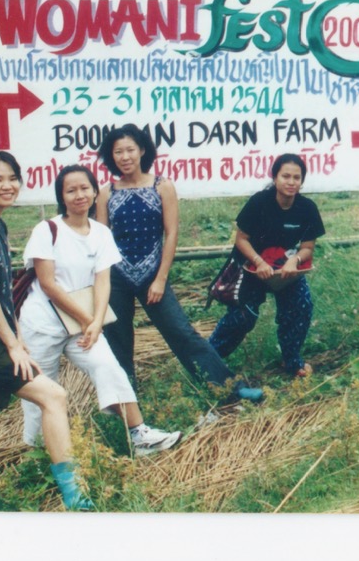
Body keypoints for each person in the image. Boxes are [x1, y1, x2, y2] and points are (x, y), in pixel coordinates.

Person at [0, 151, 92, 511]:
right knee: (53, 396)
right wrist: (13, 346)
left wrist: (18, 338)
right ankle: (75, 496)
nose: (7, 186)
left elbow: (2, 291)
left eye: (12, 178)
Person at [20, 165, 181, 455]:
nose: (79, 195)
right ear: (62, 196)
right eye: (71, 190)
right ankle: (37, 452)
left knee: (108, 367)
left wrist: (96, 322)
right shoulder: (47, 230)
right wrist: (88, 319)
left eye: (85, 188)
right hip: (42, 323)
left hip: (82, 325)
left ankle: (139, 434)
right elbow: (48, 284)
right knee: (40, 391)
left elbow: (102, 280)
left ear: (96, 192)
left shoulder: (101, 233)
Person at [96, 124, 263, 403]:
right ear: (110, 156)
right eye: (118, 152)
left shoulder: (162, 185)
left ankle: (229, 388)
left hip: (153, 274)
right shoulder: (105, 193)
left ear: (142, 151)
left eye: (130, 150)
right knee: (118, 341)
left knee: (181, 332)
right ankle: (125, 404)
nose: (124, 157)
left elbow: (171, 233)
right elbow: (100, 240)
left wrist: (161, 278)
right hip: (116, 279)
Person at [208, 153, 325, 376]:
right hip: (251, 268)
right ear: (274, 177)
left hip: (285, 270)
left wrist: (295, 260)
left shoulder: (307, 208)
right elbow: (241, 239)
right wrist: (259, 262)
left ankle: (293, 362)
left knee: (301, 306)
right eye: (285, 176)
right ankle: (206, 361)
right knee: (243, 316)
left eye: (296, 178)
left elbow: (308, 247)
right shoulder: (259, 202)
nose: (291, 182)